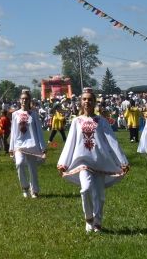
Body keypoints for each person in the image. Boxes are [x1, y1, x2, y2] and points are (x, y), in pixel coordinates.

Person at [56, 89, 129, 233]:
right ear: (80, 102)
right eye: (84, 99)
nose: (87, 101)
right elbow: (70, 142)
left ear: (94, 102)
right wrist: (63, 162)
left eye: (90, 99)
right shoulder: (77, 121)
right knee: (86, 188)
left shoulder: (101, 121)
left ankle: (98, 223)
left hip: (100, 160)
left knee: (100, 195)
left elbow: (112, 141)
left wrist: (122, 161)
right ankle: (89, 218)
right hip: (83, 161)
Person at [9, 89, 46, 198]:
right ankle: (24, 187)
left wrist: (42, 147)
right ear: (19, 100)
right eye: (22, 99)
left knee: (32, 169)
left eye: (26, 99)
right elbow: (14, 131)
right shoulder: (15, 114)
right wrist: (11, 148)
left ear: (29, 100)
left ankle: (34, 190)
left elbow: (39, 130)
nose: (24, 100)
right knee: (19, 163)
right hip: (19, 145)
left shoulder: (34, 114)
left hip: (32, 145)